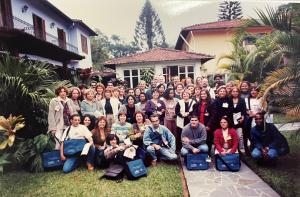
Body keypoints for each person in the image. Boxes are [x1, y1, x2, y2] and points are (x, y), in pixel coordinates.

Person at [230, 86, 247, 153]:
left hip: (239, 120)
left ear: (238, 92)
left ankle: (242, 150)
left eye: (236, 91)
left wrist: (243, 117)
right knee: (231, 136)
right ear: (231, 92)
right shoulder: (228, 99)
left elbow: (244, 110)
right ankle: (233, 150)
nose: (235, 93)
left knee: (240, 136)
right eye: (233, 91)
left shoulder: (242, 100)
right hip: (230, 120)